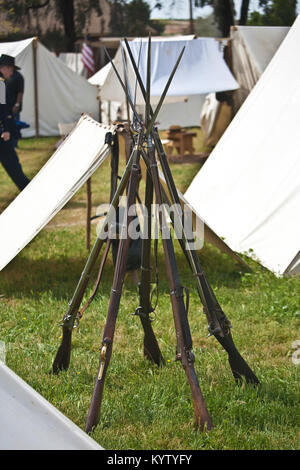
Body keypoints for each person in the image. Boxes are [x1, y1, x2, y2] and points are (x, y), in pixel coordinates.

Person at [0, 54, 30, 191]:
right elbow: (2, 109)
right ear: (5, 68)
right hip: (2, 134)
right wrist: (5, 129)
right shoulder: (0, 84)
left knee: (13, 164)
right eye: (11, 69)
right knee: (12, 164)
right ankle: (26, 189)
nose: (11, 73)